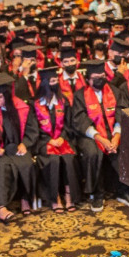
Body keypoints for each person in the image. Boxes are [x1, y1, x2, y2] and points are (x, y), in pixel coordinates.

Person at [71, 60, 129, 211]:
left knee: (125, 147)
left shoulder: (115, 91)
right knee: (92, 152)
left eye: (102, 75)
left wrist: (116, 137)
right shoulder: (80, 95)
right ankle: (97, 194)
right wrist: (100, 138)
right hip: (91, 135)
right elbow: (80, 120)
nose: (100, 79)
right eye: (96, 77)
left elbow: (121, 114)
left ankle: (124, 192)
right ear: (88, 79)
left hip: (113, 132)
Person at [0, 73, 39, 221]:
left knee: (26, 163)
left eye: (1, 97)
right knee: (1, 166)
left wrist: (25, 143)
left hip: (17, 147)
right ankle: (1, 207)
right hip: (0, 150)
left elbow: (31, 129)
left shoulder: (22, 107)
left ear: (7, 95)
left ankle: (24, 199)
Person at [31, 67, 81, 213]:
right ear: (43, 83)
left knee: (68, 158)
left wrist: (62, 137)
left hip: (62, 139)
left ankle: (69, 195)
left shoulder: (63, 101)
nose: (54, 84)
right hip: (43, 142)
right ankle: (55, 198)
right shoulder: (34, 104)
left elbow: (68, 124)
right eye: (51, 81)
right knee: (53, 160)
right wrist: (48, 140)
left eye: (55, 81)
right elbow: (33, 129)